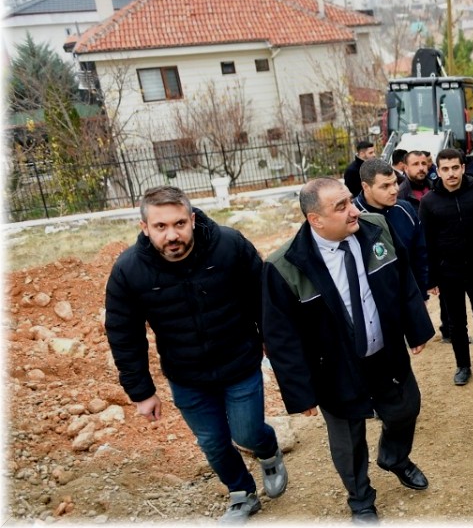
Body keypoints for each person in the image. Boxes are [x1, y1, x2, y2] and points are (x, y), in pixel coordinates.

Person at [104, 186, 287, 524]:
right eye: (160, 227)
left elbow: (263, 295)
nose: (172, 235)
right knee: (213, 443)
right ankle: (241, 493)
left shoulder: (229, 245)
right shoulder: (129, 270)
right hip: (187, 375)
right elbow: (124, 334)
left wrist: (269, 341)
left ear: (192, 219)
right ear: (145, 227)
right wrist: (141, 391)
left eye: (179, 224)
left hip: (239, 362)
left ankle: (268, 450)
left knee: (246, 434)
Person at [261, 178, 434, 523]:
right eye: (340, 207)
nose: (354, 210)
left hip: (384, 351)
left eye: (350, 201)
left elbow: (402, 279)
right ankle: (361, 500)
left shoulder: (376, 228)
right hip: (334, 366)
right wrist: (301, 393)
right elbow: (281, 338)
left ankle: (395, 458)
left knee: (405, 408)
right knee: (348, 440)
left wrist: (416, 328)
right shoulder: (285, 266)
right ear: (316, 220)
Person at [419, 148, 473, 386]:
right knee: (457, 322)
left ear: (463, 168)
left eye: (455, 167)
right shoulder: (429, 201)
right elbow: (427, 242)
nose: (451, 173)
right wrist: (431, 278)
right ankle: (462, 365)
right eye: (445, 169)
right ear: (437, 171)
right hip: (449, 271)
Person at [354, 158, 430, 296]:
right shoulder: (354, 218)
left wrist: (422, 293)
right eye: (385, 186)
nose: (394, 190)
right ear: (366, 187)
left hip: (410, 295)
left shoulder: (404, 208)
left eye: (395, 183)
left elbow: (420, 253)